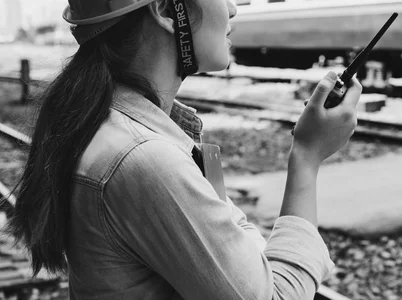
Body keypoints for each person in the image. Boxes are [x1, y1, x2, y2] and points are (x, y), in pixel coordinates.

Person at [7, 0, 362, 299]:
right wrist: (307, 157)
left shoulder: (115, 124)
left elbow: (233, 234)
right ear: (165, 8)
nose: (233, 8)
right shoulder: (143, 159)